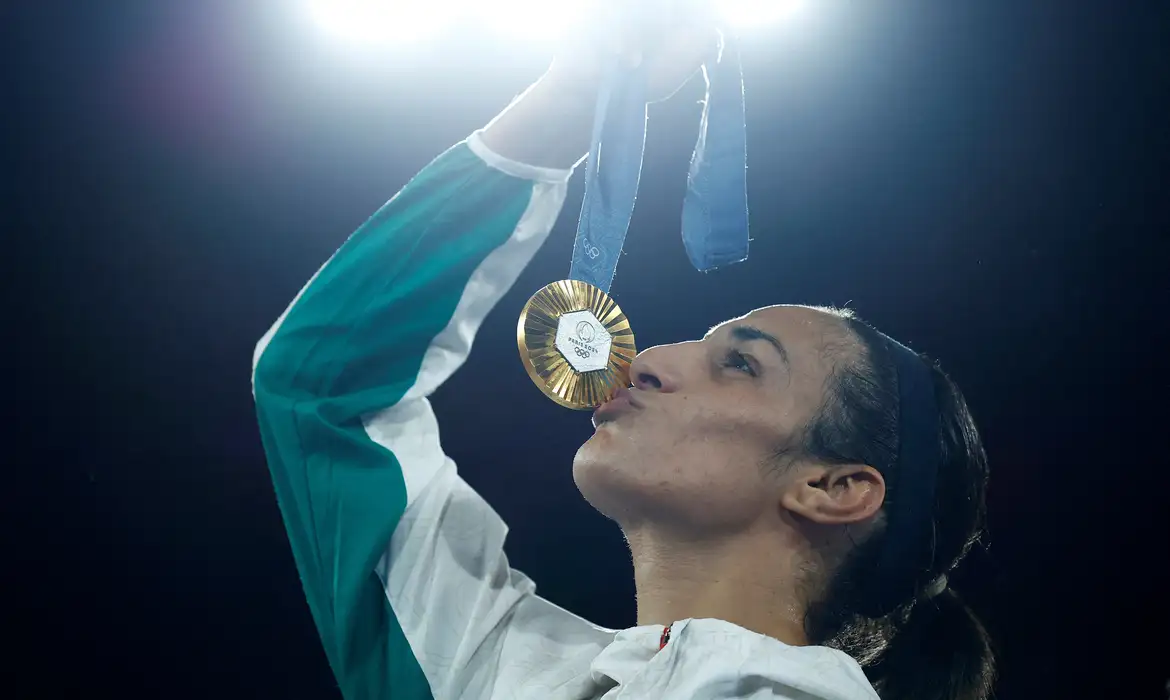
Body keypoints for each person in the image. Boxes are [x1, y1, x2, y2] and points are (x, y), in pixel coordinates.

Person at [252, 6, 995, 700]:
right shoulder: (495, 669)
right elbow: (321, 386)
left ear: (834, 488)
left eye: (741, 364)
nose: (647, 360)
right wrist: (570, 103)